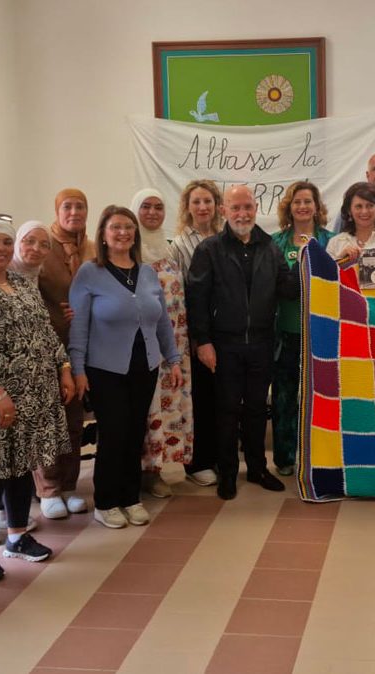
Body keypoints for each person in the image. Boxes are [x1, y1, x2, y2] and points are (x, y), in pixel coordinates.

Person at [0, 216, 74, 582]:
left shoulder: (23, 283)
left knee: (23, 466)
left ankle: (18, 537)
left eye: (7, 242)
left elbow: (45, 331)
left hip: (34, 396)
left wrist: (64, 367)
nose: (2, 249)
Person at [70, 205, 183, 527]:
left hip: (144, 367)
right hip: (105, 370)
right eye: (115, 227)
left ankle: (130, 497)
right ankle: (105, 502)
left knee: (136, 433)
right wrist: (78, 369)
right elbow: (79, 326)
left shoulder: (146, 273)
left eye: (128, 228)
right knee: (114, 433)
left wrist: (172, 359)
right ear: (103, 235)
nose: (123, 233)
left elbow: (161, 323)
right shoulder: (90, 273)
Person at [187, 185, 299, 500]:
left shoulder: (270, 247)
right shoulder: (209, 249)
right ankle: (227, 472)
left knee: (254, 409)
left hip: (263, 342)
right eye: (236, 208)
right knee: (225, 410)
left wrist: (306, 258)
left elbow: (287, 289)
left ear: (255, 208)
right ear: (224, 210)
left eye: (247, 207)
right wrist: (203, 342)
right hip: (224, 344)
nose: (242, 214)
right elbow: (196, 299)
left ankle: (257, 468)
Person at [34, 189, 93, 521]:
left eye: (80, 206)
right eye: (67, 206)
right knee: (49, 419)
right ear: (56, 210)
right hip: (48, 346)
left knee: (73, 419)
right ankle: (48, 488)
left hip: (82, 345)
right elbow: (28, 287)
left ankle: (70, 485)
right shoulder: (42, 244)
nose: (74, 211)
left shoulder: (91, 246)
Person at [130, 188, 193, 498]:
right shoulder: (128, 251)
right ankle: (137, 471)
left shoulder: (168, 250)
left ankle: (155, 471)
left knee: (166, 406)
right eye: (145, 207)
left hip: (175, 343)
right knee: (144, 407)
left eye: (158, 206)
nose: (153, 213)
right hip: (142, 345)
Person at [270, 181, 334, 476]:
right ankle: (284, 457)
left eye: (308, 201)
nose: (303, 207)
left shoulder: (331, 241)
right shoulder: (276, 242)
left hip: (322, 332)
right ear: (289, 207)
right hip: (285, 331)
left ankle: (319, 455)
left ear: (317, 207)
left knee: (322, 396)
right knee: (284, 396)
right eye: (297, 202)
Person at [171, 179, 223, 488]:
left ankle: (218, 456)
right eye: (196, 202)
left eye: (207, 201)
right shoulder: (179, 244)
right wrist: (194, 336)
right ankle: (197, 462)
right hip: (198, 331)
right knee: (200, 398)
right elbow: (180, 294)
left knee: (221, 397)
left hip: (226, 330)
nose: (202, 207)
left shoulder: (225, 236)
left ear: (217, 205)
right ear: (188, 208)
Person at [326, 182, 375, 261]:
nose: (364, 211)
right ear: (349, 210)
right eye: (359, 206)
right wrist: (341, 259)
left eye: (370, 206)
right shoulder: (335, 244)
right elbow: (326, 273)